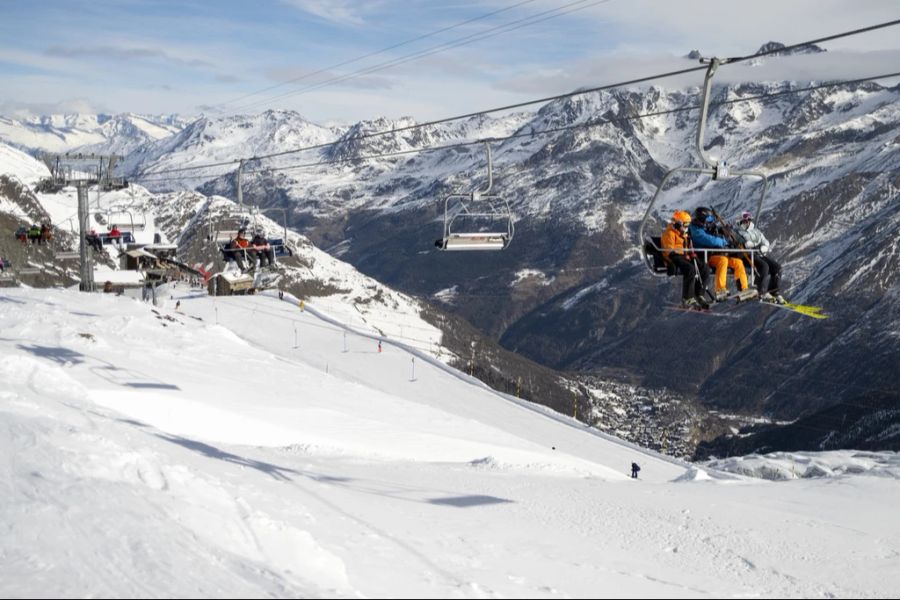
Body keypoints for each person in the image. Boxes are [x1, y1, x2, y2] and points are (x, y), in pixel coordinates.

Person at [689, 207, 751, 302]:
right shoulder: (695, 229)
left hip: (715, 254)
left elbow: (715, 228)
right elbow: (709, 240)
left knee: (737, 262)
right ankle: (720, 289)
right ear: (702, 218)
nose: (709, 222)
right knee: (723, 260)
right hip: (705, 256)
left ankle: (743, 288)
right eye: (707, 220)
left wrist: (725, 232)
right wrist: (724, 241)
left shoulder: (705, 226)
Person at [661, 210, 710, 309]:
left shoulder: (684, 235)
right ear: (678, 224)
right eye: (686, 224)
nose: (687, 227)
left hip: (684, 256)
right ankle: (687, 298)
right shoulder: (669, 233)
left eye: (688, 224)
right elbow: (668, 250)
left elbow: (688, 248)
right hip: (673, 257)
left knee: (704, 267)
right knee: (690, 269)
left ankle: (699, 294)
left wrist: (692, 255)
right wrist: (681, 256)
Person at [735, 211, 784, 303]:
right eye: (744, 221)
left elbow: (764, 240)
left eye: (748, 220)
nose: (747, 223)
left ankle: (774, 291)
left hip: (759, 253)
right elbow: (736, 243)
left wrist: (764, 246)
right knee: (764, 266)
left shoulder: (756, 231)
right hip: (747, 255)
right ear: (740, 222)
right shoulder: (737, 232)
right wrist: (744, 244)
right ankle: (760, 290)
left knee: (777, 267)